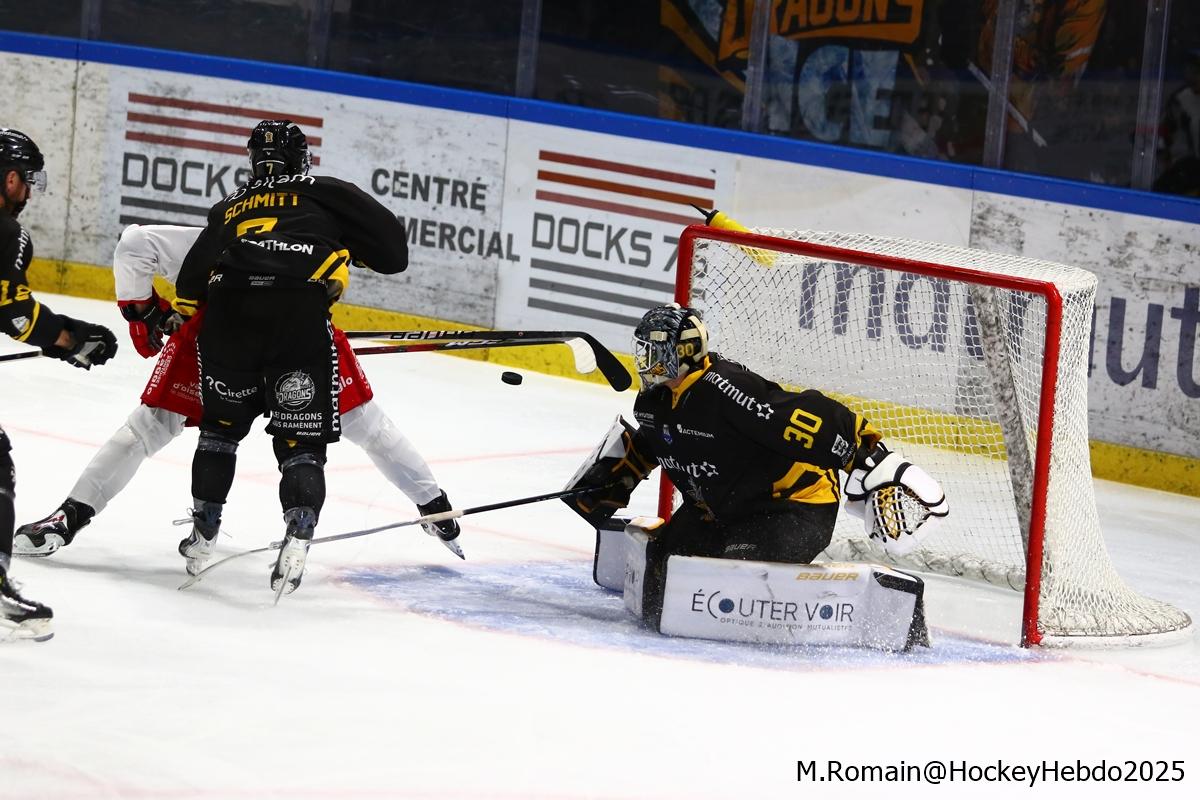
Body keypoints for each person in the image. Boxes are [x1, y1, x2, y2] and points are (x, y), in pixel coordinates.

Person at [13, 223, 462, 566]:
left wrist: (146, 313)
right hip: (300, 339)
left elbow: (135, 243)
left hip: (218, 341)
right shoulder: (318, 224)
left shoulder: (228, 224)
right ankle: (437, 511)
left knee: (148, 428)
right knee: (365, 422)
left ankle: (72, 517)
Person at [168, 118, 452, 597]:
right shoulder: (326, 190)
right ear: (301, 160)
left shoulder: (230, 205)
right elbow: (393, 252)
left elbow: (189, 288)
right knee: (301, 445)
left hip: (228, 314)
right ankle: (298, 535)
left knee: (219, 433)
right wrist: (348, 248)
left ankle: (203, 531)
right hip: (297, 314)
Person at [564, 303, 947, 630]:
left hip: (794, 507)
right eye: (644, 350)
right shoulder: (653, 402)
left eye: (655, 351)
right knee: (661, 580)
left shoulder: (727, 389)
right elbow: (659, 441)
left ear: (683, 352)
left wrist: (869, 457)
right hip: (726, 510)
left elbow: (803, 414)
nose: (646, 361)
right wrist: (614, 476)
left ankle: (846, 603)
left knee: (730, 580)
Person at [0, 128, 117, 641]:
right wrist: (70, 338)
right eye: (26, 181)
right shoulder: (8, 233)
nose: (28, 192)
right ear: (10, 179)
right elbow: (13, 313)